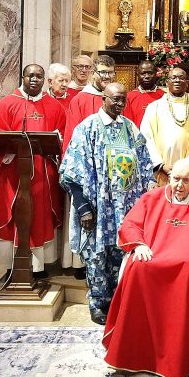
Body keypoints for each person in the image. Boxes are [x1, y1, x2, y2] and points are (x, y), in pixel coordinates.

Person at [102, 161, 189, 377]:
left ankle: (185, 354)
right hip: (153, 254)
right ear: (169, 176)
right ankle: (135, 351)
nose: (180, 185)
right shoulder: (151, 198)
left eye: (186, 180)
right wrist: (138, 244)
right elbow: (130, 224)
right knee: (137, 268)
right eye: (176, 179)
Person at [59, 82, 155, 324]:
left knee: (122, 254)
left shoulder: (130, 128)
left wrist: (149, 192)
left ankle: (119, 299)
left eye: (123, 99)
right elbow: (70, 172)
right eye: (115, 99)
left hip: (126, 209)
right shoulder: (87, 128)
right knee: (97, 256)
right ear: (104, 99)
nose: (120, 103)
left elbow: (145, 163)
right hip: (97, 209)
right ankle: (98, 303)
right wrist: (83, 208)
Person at [0, 64, 67, 279]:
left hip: (42, 174)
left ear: (44, 80)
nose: (34, 79)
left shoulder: (54, 106)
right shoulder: (6, 104)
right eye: (30, 75)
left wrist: (56, 145)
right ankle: (11, 265)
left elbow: (62, 136)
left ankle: (38, 266)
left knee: (39, 216)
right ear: (22, 77)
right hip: (14, 172)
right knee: (13, 215)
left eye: (39, 76)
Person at [139, 67, 189, 191]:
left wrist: (185, 167)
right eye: (173, 78)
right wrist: (160, 165)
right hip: (162, 171)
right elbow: (146, 139)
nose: (177, 80)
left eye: (181, 78)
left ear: (187, 83)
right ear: (166, 82)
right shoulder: (154, 108)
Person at [63, 55, 116, 151]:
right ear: (93, 73)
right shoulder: (79, 100)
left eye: (110, 72)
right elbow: (72, 135)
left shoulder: (119, 98)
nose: (107, 76)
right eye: (102, 72)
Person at [123, 60, 164, 126]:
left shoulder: (163, 96)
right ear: (137, 75)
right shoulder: (129, 97)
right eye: (143, 73)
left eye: (150, 73)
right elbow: (127, 122)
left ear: (156, 74)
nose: (147, 76)